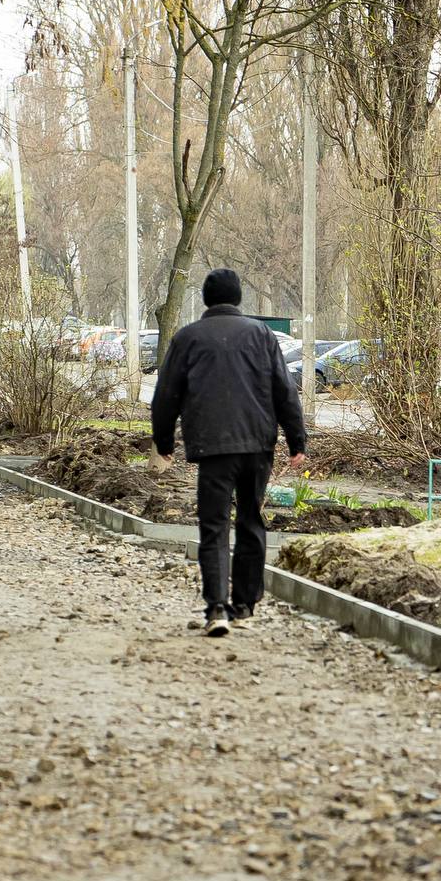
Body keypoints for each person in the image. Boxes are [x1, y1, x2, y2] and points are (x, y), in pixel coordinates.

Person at [150, 267, 307, 636]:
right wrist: (296, 441)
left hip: (213, 447)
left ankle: (217, 607)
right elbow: (284, 390)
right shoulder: (261, 334)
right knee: (251, 520)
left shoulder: (188, 337)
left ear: (206, 299)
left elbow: (166, 395)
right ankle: (245, 604)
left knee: (214, 525)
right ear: (238, 298)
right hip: (257, 446)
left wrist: (165, 442)